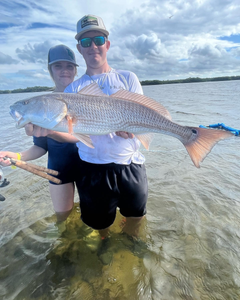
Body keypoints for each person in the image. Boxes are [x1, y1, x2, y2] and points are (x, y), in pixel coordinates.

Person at [24, 15, 148, 239]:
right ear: (79, 49)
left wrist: (134, 130)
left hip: (131, 165)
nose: (93, 47)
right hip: (93, 170)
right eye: (85, 43)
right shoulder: (72, 90)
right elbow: (75, 135)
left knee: (136, 218)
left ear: (107, 44)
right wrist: (51, 132)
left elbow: (142, 117)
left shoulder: (128, 78)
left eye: (98, 39)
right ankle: (105, 247)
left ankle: (133, 251)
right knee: (100, 226)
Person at [0, 44, 82, 222]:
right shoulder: (41, 106)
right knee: (63, 219)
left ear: (75, 70)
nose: (64, 71)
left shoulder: (88, 99)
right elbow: (39, 147)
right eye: (58, 66)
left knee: (95, 218)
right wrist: (15, 156)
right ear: (50, 70)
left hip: (89, 169)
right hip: (58, 169)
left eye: (69, 66)